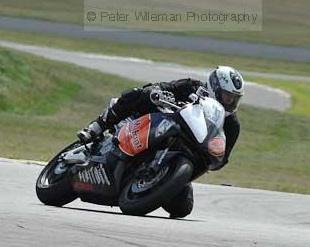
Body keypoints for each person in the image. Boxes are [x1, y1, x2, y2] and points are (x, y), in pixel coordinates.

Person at [77, 65, 244, 218]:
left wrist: (216, 153)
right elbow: (165, 87)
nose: (230, 102)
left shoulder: (232, 124)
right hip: (159, 122)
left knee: (182, 208)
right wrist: (157, 92)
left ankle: (153, 181)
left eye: (234, 98)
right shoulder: (192, 86)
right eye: (227, 96)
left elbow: (222, 157)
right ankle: (97, 126)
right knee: (138, 94)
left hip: (187, 152)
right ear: (214, 87)